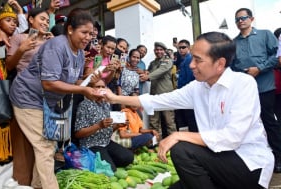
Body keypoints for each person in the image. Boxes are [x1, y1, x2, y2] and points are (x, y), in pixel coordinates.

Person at [102, 31, 274, 189]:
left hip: (248, 165)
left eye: (198, 60)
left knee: (181, 149)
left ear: (220, 64)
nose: (191, 65)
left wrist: (178, 134)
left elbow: (232, 137)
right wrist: (114, 98)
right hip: (215, 160)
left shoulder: (243, 84)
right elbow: (158, 100)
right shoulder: (198, 87)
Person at [9, 8, 100, 189]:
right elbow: (49, 83)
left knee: (47, 147)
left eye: (90, 33)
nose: (88, 37)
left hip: (45, 102)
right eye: (84, 32)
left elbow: (71, 80)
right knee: (45, 146)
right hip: (27, 96)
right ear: (70, 29)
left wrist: (89, 83)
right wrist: (83, 91)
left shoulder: (80, 53)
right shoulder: (56, 46)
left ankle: (38, 184)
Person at [5, 7, 52, 186]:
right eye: (42, 18)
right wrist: (21, 50)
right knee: (24, 141)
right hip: (24, 93)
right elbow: (9, 65)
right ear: (30, 19)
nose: (45, 23)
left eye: (48, 21)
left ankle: (38, 182)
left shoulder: (49, 42)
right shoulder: (19, 38)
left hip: (46, 94)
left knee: (43, 142)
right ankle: (23, 182)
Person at [231, 7, 281, 173]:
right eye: (237, 19)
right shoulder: (234, 43)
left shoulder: (265, 35)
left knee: (269, 123)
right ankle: (254, 160)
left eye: (244, 17)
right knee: (248, 125)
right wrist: (241, 73)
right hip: (245, 92)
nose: (241, 21)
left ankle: (279, 158)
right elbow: (231, 67)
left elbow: (276, 57)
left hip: (264, 88)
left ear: (252, 19)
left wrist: (259, 68)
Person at [74, 79, 134, 171]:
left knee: (128, 158)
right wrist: (99, 126)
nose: (101, 89)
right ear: (91, 89)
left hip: (106, 142)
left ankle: (105, 160)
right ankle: (99, 161)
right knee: (110, 169)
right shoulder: (84, 105)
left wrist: (117, 126)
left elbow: (107, 129)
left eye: (103, 87)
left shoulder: (106, 104)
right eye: (98, 87)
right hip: (91, 144)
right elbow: (78, 134)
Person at [139, 42, 176, 139]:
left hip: (166, 95)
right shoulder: (153, 63)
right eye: (157, 50)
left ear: (164, 51)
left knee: (169, 122)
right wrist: (145, 72)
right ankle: (155, 143)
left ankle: (174, 144)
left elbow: (161, 71)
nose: (158, 51)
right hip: (154, 96)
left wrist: (148, 76)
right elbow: (149, 71)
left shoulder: (168, 61)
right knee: (154, 122)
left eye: (161, 50)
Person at [174, 39, 198, 132]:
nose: (181, 50)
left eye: (183, 47)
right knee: (183, 121)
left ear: (189, 48)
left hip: (188, 95)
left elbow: (190, 79)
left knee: (190, 121)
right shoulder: (183, 60)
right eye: (179, 48)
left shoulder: (189, 60)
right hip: (183, 94)